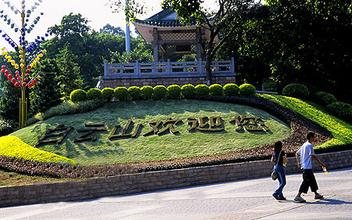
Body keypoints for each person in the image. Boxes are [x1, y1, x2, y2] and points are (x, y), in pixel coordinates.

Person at [294, 131, 327, 203]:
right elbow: (313, 156)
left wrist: (299, 163)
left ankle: (316, 194)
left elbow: (297, 153)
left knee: (312, 180)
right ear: (311, 137)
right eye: (314, 137)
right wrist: (321, 164)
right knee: (306, 181)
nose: (314, 138)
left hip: (305, 167)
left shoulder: (304, 145)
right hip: (307, 167)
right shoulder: (309, 145)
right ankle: (298, 196)